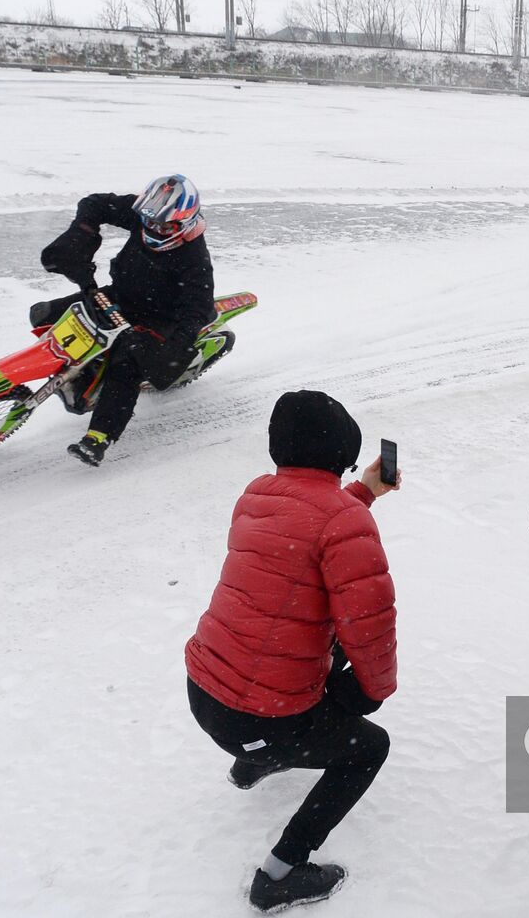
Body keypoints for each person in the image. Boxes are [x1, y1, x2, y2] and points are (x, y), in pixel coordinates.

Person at [185, 390, 399, 913]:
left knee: (297, 642)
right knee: (369, 747)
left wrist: (364, 493)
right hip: (262, 717)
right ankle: (279, 874)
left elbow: (306, 524)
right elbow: (369, 626)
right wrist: (373, 693)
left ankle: (251, 763)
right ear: (345, 448)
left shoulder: (258, 494)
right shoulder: (342, 522)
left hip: (204, 692)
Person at [30, 174, 215, 466]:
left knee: (126, 366)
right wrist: (82, 232)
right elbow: (94, 204)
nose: (154, 229)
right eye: (150, 222)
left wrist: (173, 348)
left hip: (157, 318)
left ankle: (100, 437)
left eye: (165, 226)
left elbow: (199, 309)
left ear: (185, 223)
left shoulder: (194, 258)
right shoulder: (143, 217)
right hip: (119, 295)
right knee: (44, 314)